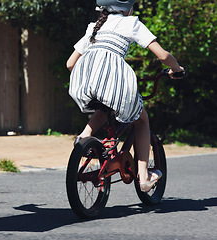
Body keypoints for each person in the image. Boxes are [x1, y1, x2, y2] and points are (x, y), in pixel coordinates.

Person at [66, 0, 184, 192]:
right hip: (113, 79)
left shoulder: (94, 27)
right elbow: (163, 56)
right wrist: (177, 69)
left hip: (83, 79)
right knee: (142, 120)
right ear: (128, 7)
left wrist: (92, 74)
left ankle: (84, 137)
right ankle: (145, 178)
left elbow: (70, 64)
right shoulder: (132, 23)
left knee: (105, 106)